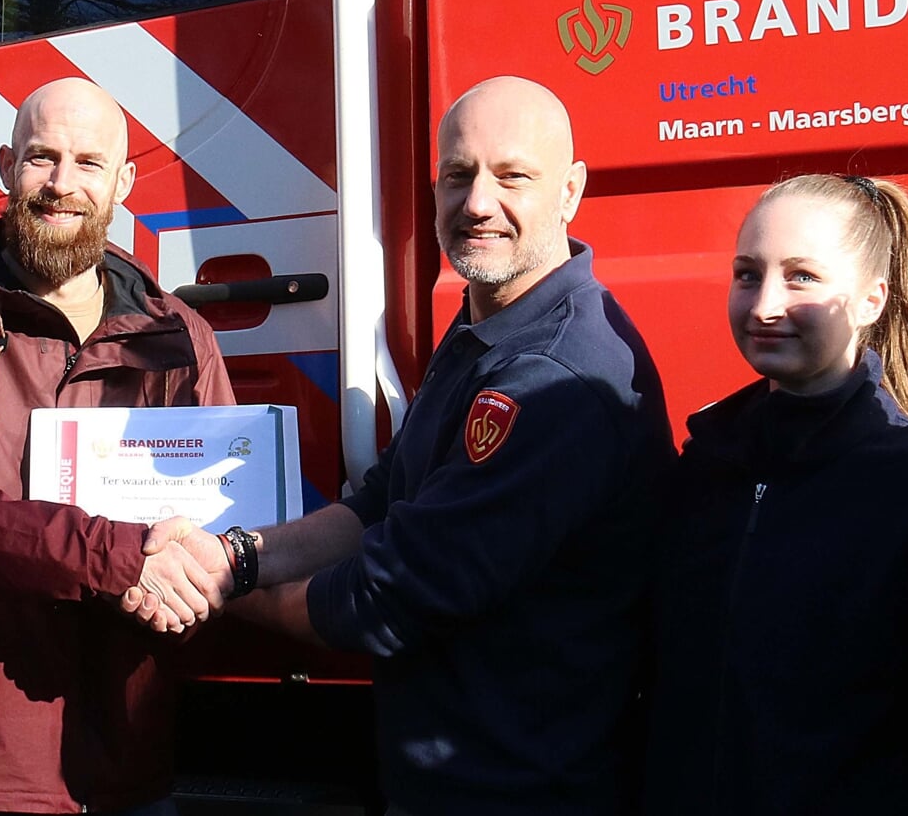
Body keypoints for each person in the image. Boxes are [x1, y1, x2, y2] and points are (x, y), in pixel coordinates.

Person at [177, 76, 673, 815]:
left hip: (522, 790)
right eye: (457, 175)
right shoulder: (492, 327)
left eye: (512, 177)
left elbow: (383, 596)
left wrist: (206, 586)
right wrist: (237, 555)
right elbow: (381, 502)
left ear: (569, 191)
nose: (476, 203)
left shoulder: (551, 375)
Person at [0, 76, 236, 815]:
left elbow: (220, 518)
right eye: (41, 158)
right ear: (4, 165)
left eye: (88, 163)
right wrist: (113, 555)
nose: (62, 185)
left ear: (123, 181)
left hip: (132, 748)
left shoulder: (180, 337)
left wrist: (202, 578)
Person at [644, 174, 908, 815]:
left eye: (802, 277)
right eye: (748, 274)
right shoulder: (702, 469)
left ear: (872, 299)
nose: (765, 303)